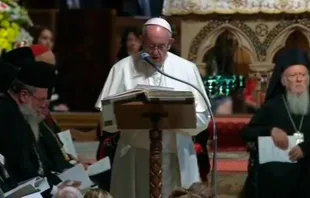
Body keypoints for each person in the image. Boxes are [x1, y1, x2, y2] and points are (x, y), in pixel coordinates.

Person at [95, 17, 210, 198]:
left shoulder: (186, 70)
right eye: (150, 46)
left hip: (176, 153)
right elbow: (106, 121)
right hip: (134, 154)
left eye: (161, 46)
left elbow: (203, 120)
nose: (155, 52)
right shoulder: (122, 69)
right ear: (142, 40)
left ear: (170, 43)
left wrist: (174, 118)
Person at [0, 61, 79, 197]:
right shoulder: (8, 116)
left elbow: (41, 165)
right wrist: (55, 190)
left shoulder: (23, 114)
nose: (43, 106)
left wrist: (58, 185)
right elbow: (21, 170)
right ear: (24, 95)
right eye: (41, 99)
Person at [242, 48, 310, 198]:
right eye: (293, 75)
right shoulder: (273, 106)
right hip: (280, 181)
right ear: (284, 81)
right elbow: (247, 132)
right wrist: (270, 130)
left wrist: (305, 148)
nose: (299, 79)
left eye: (303, 75)